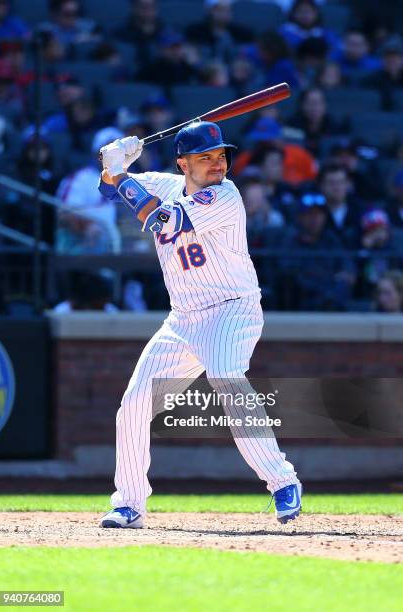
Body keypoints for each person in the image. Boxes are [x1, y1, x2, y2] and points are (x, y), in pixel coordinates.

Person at [97, 121, 302, 527]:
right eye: (204, 158)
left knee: (226, 376)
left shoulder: (226, 196)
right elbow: (107, 188)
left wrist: (120, 173)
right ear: (182, 163)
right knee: (134, 403)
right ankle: (129, 504)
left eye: (220, 156)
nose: (216, 164)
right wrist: (110, 162)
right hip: (184, 318)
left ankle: (282, 481)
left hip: (232, 309)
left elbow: (159, 220)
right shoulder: (165, 183)